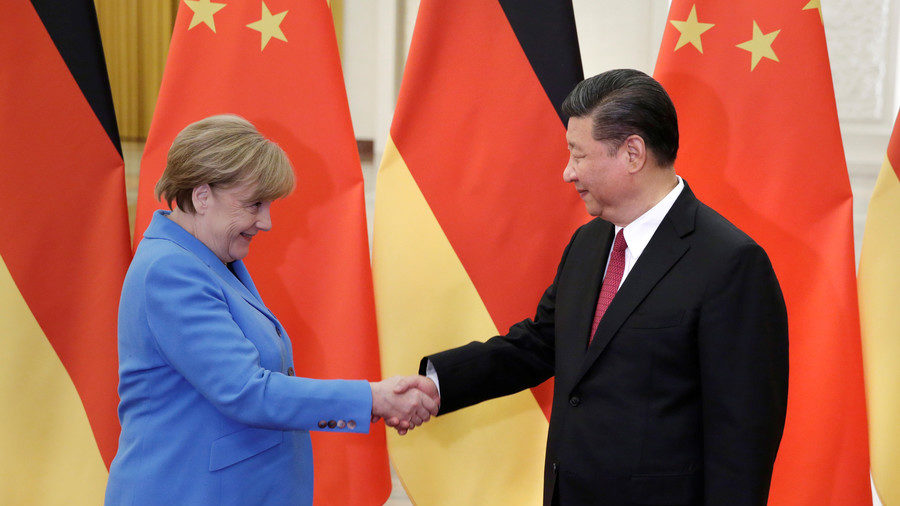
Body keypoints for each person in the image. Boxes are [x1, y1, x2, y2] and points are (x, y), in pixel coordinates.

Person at [400, 69, 789, 505]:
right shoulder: (590, 241)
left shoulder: (730, 263)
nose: (568, 172)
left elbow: (743, 437)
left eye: (578, 155)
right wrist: (438, 384)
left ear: (633, 153)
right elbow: (540, 342)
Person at [104, 114, 437, 505]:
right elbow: (247, 390)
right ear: (202, 195)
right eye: (254, 205)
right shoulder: (171, 271)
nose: (266, 222)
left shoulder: (208, 259)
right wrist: (373, 399)